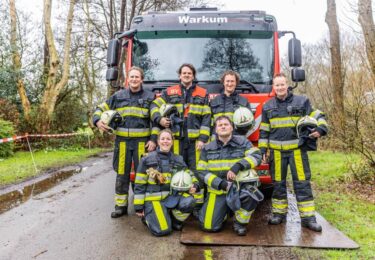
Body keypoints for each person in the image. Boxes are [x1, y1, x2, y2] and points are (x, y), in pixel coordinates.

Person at [259, 73, 328, 232]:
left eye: (282, 84)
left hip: (297, 151)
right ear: (273, 87)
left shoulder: (302, 101)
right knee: (278, 184)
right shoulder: (267, 106)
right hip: (276, 152)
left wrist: (321, 129)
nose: (280, 87)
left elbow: (317, 115)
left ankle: (308, 218)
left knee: (302, 184)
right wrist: (263, 149)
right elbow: (264, 130)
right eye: (277, 85)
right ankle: (278, 214)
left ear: (287, 84)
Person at [93, 66, 157, 218]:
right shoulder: (118, 95)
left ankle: (140, 205)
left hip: (142, 143)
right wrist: (96, 121)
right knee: (122, 174)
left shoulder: (150, 97)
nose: (134, 79)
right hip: (122, 143)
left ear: (142, 79)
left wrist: (154, 139)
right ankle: (120, 207)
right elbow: (100, 108)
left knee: (142, 175)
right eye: (132, 77)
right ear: (128, 79)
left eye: (137, 77)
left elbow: (155, 120)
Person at [150, 63, 211, 213]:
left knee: (197, 172)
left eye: (189, 73)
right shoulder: (169, 92)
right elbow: (153, 106)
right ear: (179, 75)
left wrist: (203, 138)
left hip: (195, 142)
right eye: (184, 73)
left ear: (193, 75)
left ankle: (196, 206)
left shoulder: (203, 93)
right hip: (176, 141)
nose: (186, 75)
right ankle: (177, 204)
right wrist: (159, 120)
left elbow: (207, 117)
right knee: (176, 170)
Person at [197, 115, 262, 236]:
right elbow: (201, 171)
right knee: (208, 226)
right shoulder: (207, 148)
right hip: (218, 191)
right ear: (215, 130)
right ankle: (225, 211)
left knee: (251, 196)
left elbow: (257, 156)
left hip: (239, 189)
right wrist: (220, 184)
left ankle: (239, 223)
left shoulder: (243, 142)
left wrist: (238, 166)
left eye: (226, 124)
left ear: (232, 127)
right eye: (219, 125)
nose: (223, 127)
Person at [133, 129, 199, 236]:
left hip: (172, 198)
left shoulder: (178, 159)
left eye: (168, 139)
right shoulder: (147, 159)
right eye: (162, 139)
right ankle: (148, 218)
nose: (165, 141)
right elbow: (139, 183)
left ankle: (175, 221)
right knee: (163, 230)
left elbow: (188, 174)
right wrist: (139, 206)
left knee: (189, 201)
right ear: (158, 142)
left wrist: (195, 185)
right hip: (154, 200)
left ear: (172, 142)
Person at [210, 70, 253, 136]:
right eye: (227, 81)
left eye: (232, 81)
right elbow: (208, 123)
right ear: (223, 82)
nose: (229, 84)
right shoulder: (214, 102)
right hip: (216, 142)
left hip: (236, 142)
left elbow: (249, 125)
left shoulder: (244, 102)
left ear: (236, 83)